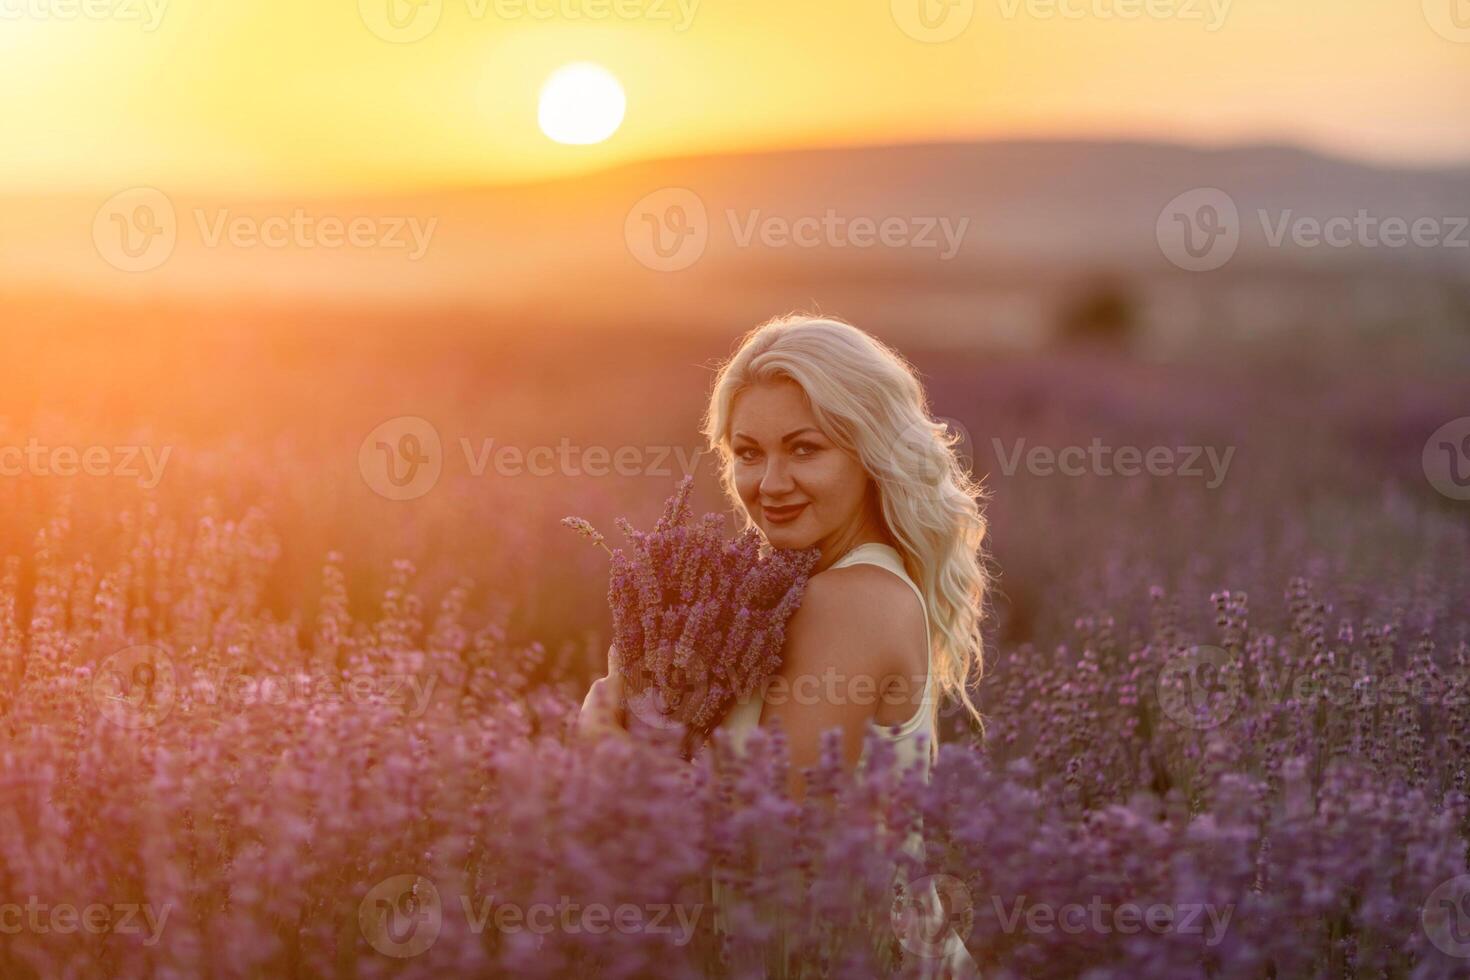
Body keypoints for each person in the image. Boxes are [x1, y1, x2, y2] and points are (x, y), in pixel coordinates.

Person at [580, 313, 988, 976]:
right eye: (747, 453)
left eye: (805, 449)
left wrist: (605, 754)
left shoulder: (849, 600)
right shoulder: (819, 591)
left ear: (870, 452)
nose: (769, 484)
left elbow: (765, 842)